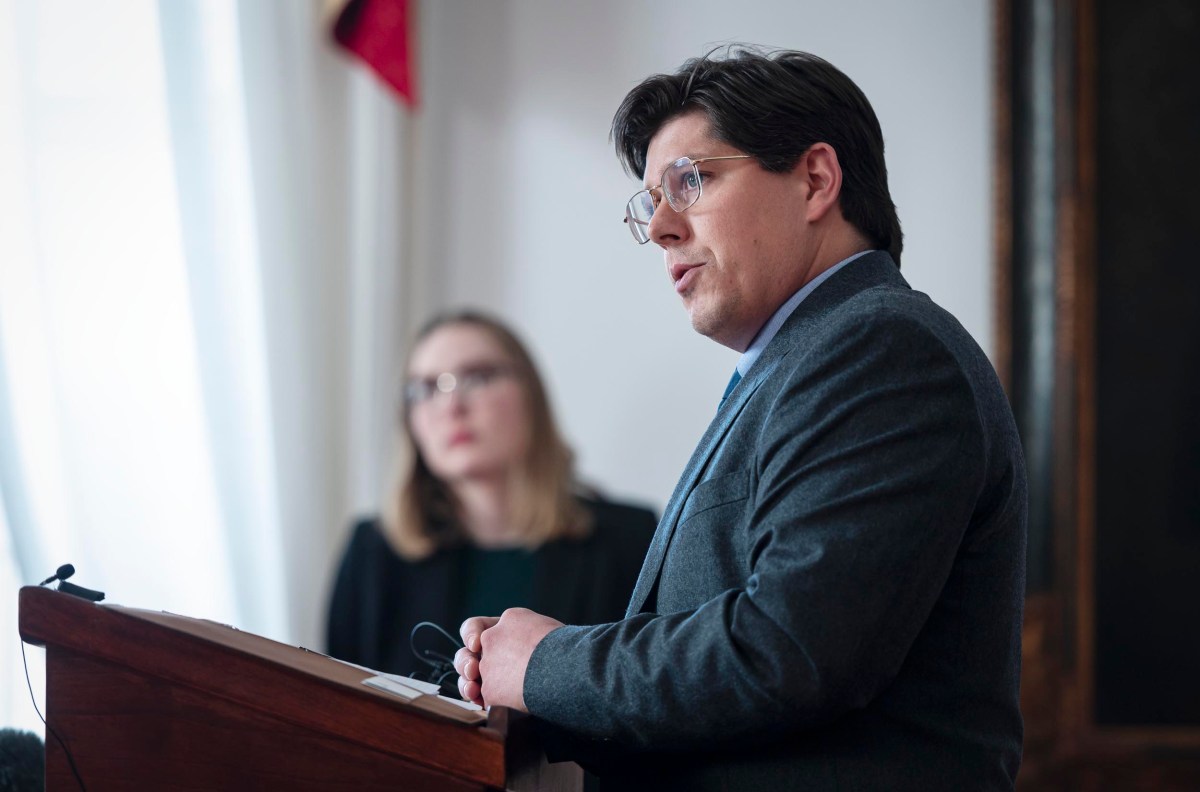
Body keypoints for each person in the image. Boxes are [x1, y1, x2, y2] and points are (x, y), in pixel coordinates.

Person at [454, 47, 1027, 791]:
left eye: (690, 182)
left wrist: (549, 665)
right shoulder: (804, 359)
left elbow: (789, 652)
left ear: (816, 180)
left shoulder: (883, 349)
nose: (660, 226)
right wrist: (528, 686)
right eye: (651, 200)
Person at [326, 310, 656, 685]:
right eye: (426, 388)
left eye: (477, 377)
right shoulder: (372, 551)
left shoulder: (630, 539)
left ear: (530, 395)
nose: (451, 406)